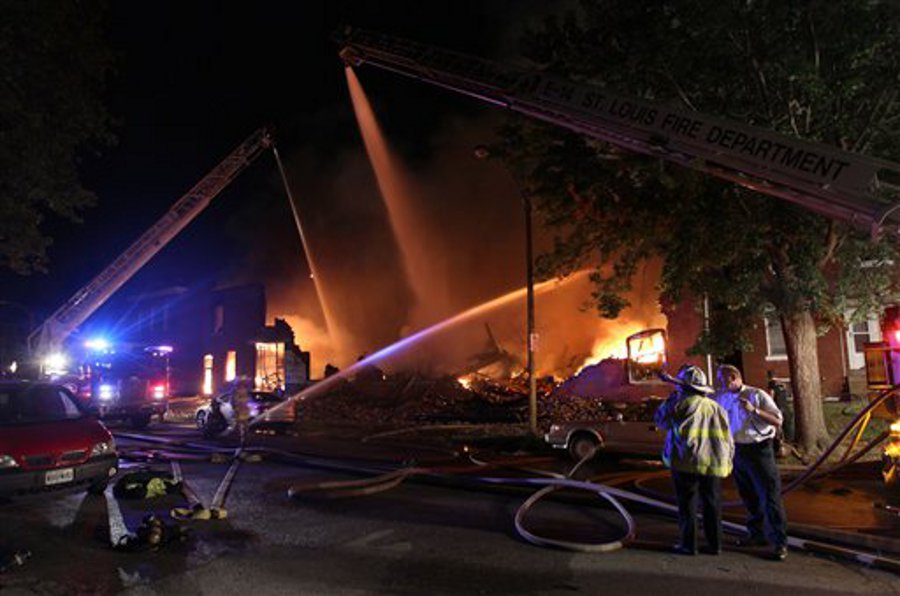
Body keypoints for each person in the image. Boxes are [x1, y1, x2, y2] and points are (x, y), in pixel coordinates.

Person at [655, 364, 734, 556]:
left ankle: (688, 545)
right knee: (712, 504)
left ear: (683, 387)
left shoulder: (680, 404)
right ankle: (715, 545)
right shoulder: (716, 407)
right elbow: (728, 437)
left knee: (687, 505)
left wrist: (673, 396)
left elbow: (660, 421)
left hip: (687, 462)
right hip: (713, 463)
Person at [715, 364, 788, 561]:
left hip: (759, 450)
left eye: (721, 380)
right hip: (737, 451)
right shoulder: (722, 397)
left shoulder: (757, 395)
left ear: (733, 377)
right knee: (749, 496)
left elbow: (777, 420)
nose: (719, 383)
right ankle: (757, 535)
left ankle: (779, 542)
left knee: (769, 496)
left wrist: (754, 410)